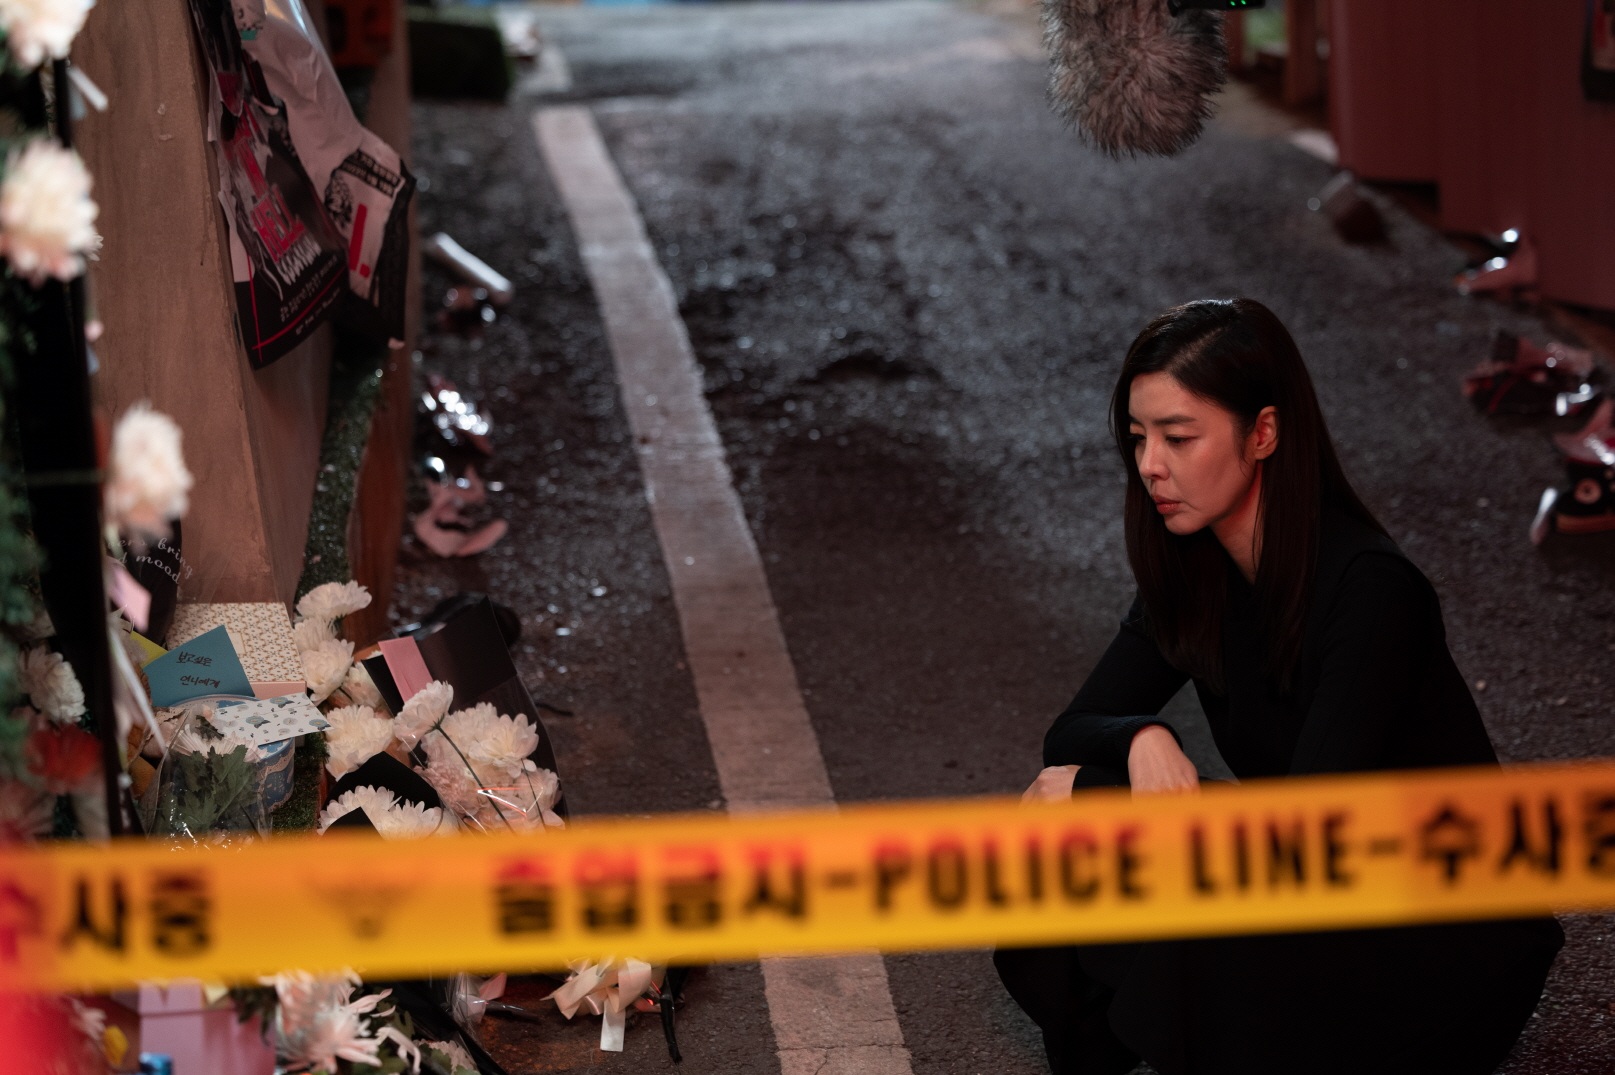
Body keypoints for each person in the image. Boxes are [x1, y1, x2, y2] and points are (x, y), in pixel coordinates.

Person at [995, 299, 1563, 1075]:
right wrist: (1141, 737)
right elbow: (1072, 729)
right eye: (1137, 436)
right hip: (1320, 899)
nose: (1150, 464)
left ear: (1263, 432)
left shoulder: (1369, 591)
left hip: (1437, 946)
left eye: (1178, 437)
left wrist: (1113, 800)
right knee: (1076, 809)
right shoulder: (1196, 569)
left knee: (1115, 827)